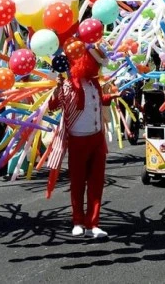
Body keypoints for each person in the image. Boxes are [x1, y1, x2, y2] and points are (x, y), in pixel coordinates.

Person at [46, 47, 120, 239]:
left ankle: (93, 224)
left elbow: (95, 103)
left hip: (96, 138)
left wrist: (111, 96)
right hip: (78, 140)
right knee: (78, 183)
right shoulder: (71, 84)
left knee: (96, 184)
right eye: (95, 63)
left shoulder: (95, 83)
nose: (98, 67)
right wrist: (58, 89)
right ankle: (78, 221)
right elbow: (54, 106)